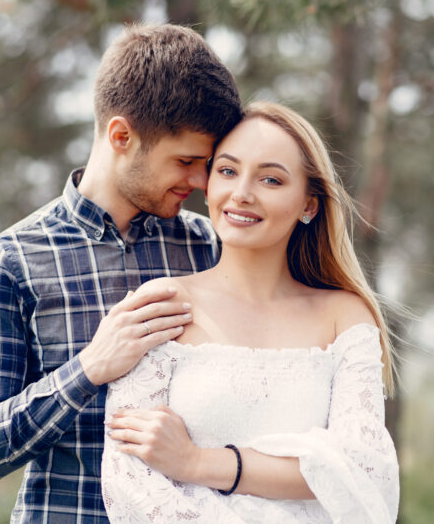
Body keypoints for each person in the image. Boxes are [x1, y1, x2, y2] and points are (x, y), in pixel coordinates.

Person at [0, 23, 243, 522]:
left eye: (207, 164)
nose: (200, 182)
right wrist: (87, 370)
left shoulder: (214, 248)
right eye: (187, 161)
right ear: (121, 136)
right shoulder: (11, 261)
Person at [101, 101, 400, 523]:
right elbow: (129, 485)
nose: (241, 192)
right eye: (227, 171)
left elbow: (365, 471)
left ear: (308, 205)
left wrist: (196, 463)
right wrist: (304, 471)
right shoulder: (163, 305)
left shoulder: (345, 317)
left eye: (271, 179)